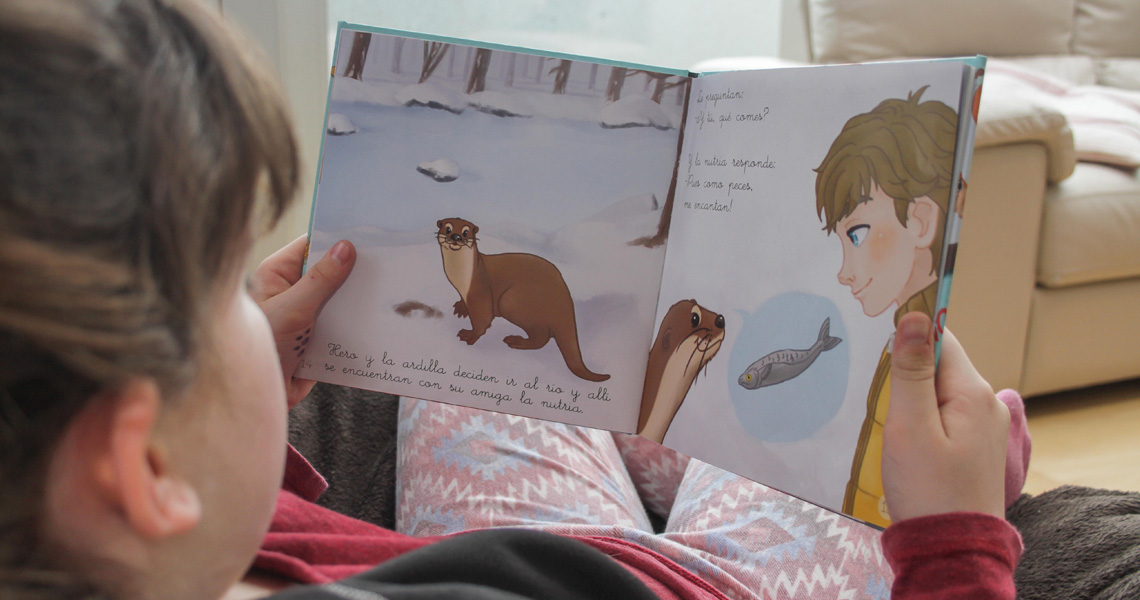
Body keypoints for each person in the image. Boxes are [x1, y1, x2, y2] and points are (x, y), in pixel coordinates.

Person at [0, 1, 1024, 599]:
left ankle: (678, 424)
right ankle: (969, 455)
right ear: (144, 464)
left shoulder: (139, 547)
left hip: (509, 550)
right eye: (221, 287)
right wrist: (957, 539)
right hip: (695, 586)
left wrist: (238, 394)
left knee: (479, 357)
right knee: (862, 429)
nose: (247, 297)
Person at [813, 87, 959, 527]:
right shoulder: (900, 332)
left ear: (921, 221)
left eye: (856, 235)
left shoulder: (917, 344)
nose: (843, 272)